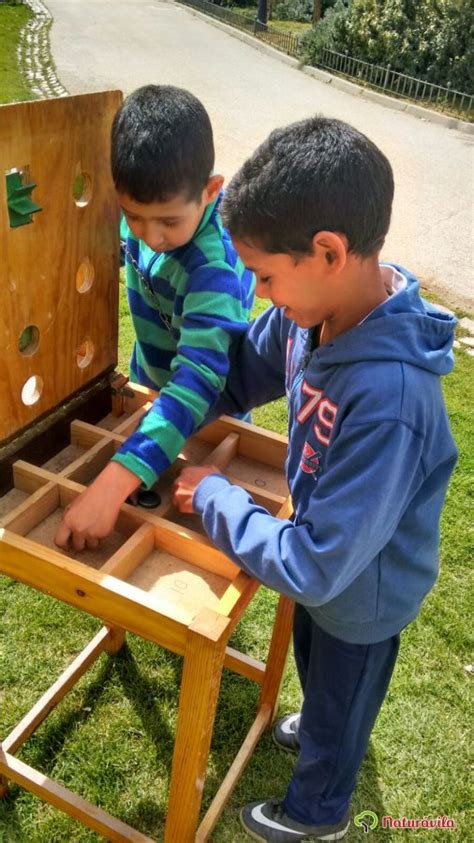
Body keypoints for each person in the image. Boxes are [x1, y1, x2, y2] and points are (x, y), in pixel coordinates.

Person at [172, 116, 458, 842]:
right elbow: (245, 369)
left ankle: (319, 810)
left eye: (266, 277)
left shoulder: (390, 401)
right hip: (332, 568)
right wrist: (174, 410)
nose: (263, 295)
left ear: (327, 251)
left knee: (344, 687)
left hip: (365, 593)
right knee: (314, 659)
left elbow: (316, 566)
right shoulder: (314, 316)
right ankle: (324, 723)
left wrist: (216, 496)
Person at [55, 85, 254, 551]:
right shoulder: (147, 219)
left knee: (190, 544)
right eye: (133, 217)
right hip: (151, 387)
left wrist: (109, 487)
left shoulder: (213, 273)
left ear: (210, 192)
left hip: (208, 411)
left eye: (167, 222)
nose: (149, 236)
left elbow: (197, 385)